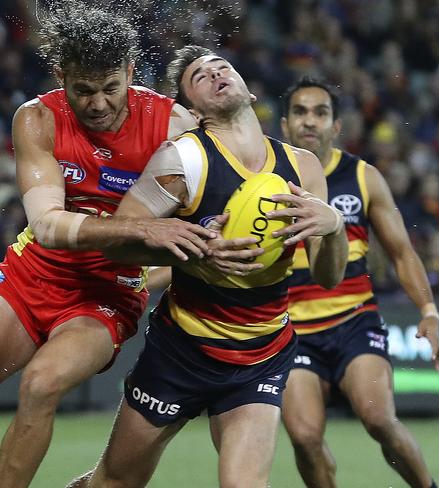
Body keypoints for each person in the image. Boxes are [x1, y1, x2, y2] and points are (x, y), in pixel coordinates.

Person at [0, 6, 251, 488]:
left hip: (107, 292)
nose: (98, 104)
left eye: (110, 88)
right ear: (62, 76)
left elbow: (205, 213)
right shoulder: (38, 119)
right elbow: (49, 226)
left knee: (40, 384)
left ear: (128, 71)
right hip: (31, 274)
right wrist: (139, 231)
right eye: (83, 91)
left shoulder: (173, 126)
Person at [67, 46, 348, 488]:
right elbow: (119, 242)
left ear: (248, 90)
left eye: (222, 67)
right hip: (182, 351)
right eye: (200, 76)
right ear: (191, 108)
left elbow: (328, 276)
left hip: (261, 354)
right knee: (113, 483)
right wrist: (193, 246)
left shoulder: (303, 167)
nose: (216, 74)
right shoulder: (182, 161)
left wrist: (333, 227)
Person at [279, 77, 439, 488]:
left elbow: (402, 252)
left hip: (355, 322)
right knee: (303, 436)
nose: (309, 121)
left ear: (336, 126)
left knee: (379, 420)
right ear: (284, 125)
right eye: (300, 112)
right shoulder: (268, 178)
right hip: (293, 331)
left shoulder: (363, 177)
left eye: (320, 112)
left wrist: (428, 310)